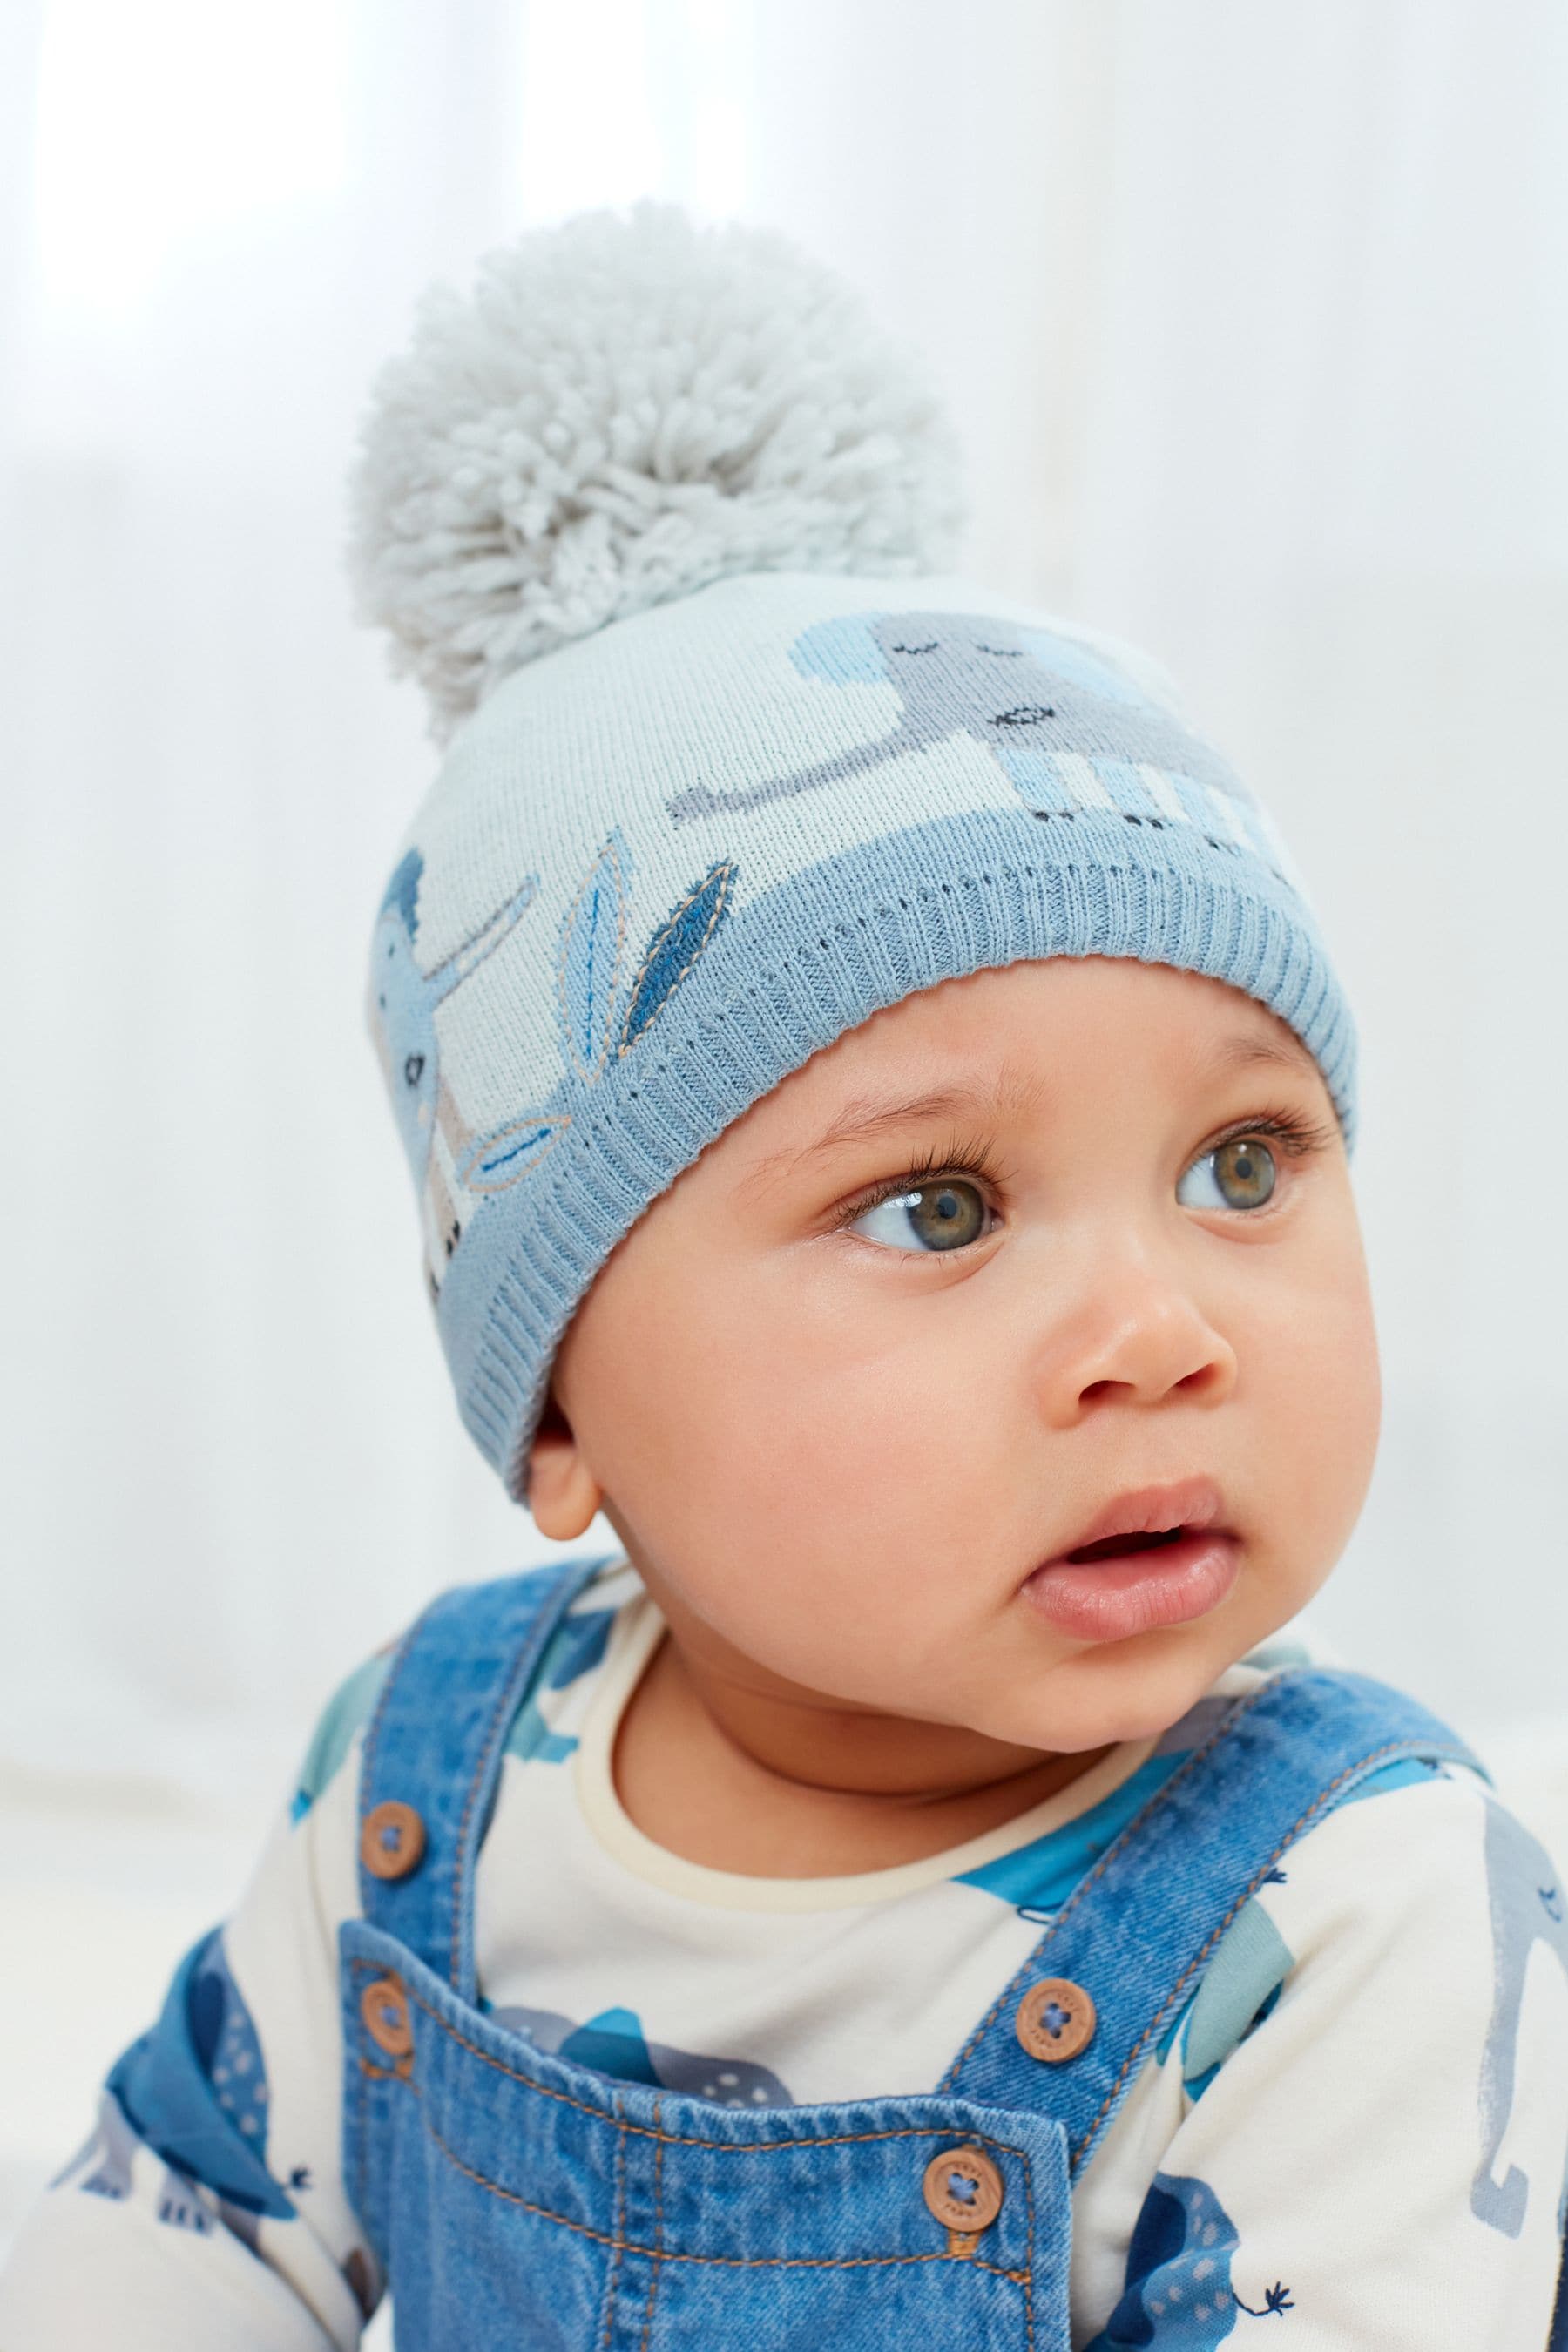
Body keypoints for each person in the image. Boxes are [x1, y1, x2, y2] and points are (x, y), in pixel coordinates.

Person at [3, 202, 1565, 2352]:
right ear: (559, 1402)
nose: (1166, 1335)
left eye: (1243, 1159)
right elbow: (165, 2233)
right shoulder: (431, 1779)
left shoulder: (1365, 1910)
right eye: (940, 1207)